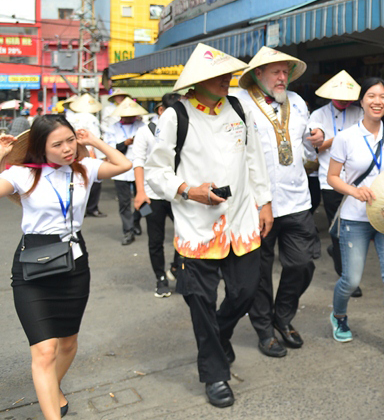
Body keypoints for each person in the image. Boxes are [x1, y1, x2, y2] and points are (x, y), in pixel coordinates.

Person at [0, 114, 131, 420]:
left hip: (73, 263)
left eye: (70, 140)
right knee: (45, 351)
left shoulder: (84, 168)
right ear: (41, 149)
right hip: (33, 266)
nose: (67, 148)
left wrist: (93, 141)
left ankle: (50, 387)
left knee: (68, 343)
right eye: (57, 144)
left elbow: (123, 165)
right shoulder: (22, 173)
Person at [144, 43, 272, 409]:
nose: (225, 79)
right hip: (196, 228)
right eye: (216, 75)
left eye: (228, 74)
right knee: (200, 302)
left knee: (245, 293)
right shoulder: (176, 116)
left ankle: (218, 335)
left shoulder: (239, 106)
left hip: (242, 222)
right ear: (196, 82)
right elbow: (155, 173)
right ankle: (215, 374)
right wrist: (187, 190)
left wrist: (265, 203)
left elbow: (254, 159)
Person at [235, 47, 320, 359]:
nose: (282, 77)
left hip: (297, 199)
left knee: (303, 263)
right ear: (258, 74)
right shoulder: (239, 103)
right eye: (276, 72)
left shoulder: (297, 103)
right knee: (258, 272)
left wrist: (317, 142)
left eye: (286, 72)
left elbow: (307, 152)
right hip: (258, 203)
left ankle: (283, 317)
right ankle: (265, 330)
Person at [326, 77, 384, 362]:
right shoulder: (345, 138)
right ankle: (339, 315)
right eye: (372, 96)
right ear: (362, 101)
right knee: (351, 280)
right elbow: (331, 177)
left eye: (383, 96)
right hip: (355, 218)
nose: (378, 101)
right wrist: (355, 191)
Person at [308, 70, 364, 289]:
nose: (344, 100)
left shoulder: (359, 112)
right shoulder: (319, 115)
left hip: (356, 180)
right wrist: (342, 137)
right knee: (340, 230)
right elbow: (316, 145)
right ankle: (348, 278)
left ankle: (344, 263)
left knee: (355, 230)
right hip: (329, 181)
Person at [131, 92, 183, 298]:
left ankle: (177, 268)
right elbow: (138, 162)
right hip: (152, 195)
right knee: (156, 239)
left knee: (185, 232)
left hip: (177, 193)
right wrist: (140, 192)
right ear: (161, 111)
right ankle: (160, 277)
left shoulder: (184, 129)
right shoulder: (144, 133)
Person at [104, 98, 148, 245]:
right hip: (120, 170)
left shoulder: (143, 126)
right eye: (126, 116)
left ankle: (138, 221)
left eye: (131, 115)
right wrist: (125, 143)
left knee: (143, 200)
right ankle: (128, 231)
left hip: (140, 168)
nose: (129, 118)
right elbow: (109, 148)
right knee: (124, 203)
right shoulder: (113, 128)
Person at [65, 94, 107, 219]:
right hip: (89, 150)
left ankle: (77, 209)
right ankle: (92, 208)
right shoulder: (91, 118)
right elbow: (95, 137)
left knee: (76, 179)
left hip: (73, 151)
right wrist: (102, 155)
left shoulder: (71, 118)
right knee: (94, 180)